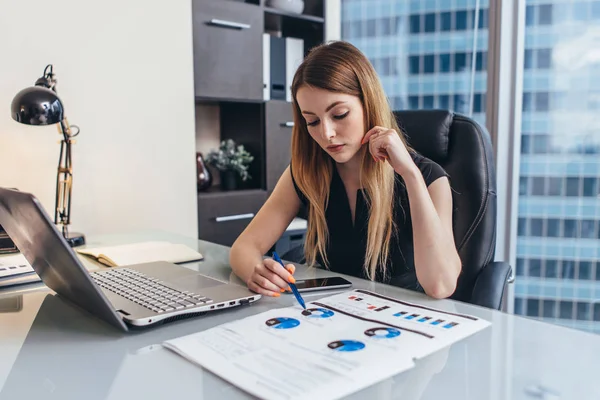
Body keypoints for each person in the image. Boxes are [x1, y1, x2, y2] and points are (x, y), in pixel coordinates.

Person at [229, 41, 461, 299]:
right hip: (329, 316)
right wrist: (257, 271)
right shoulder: (308, 171)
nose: (326, 134)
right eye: (312, 121)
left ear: (368, 104)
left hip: (399, 322)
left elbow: (441, 286)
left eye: (339, 114)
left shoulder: (429, 178)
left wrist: (410, 175)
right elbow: (243, 248)